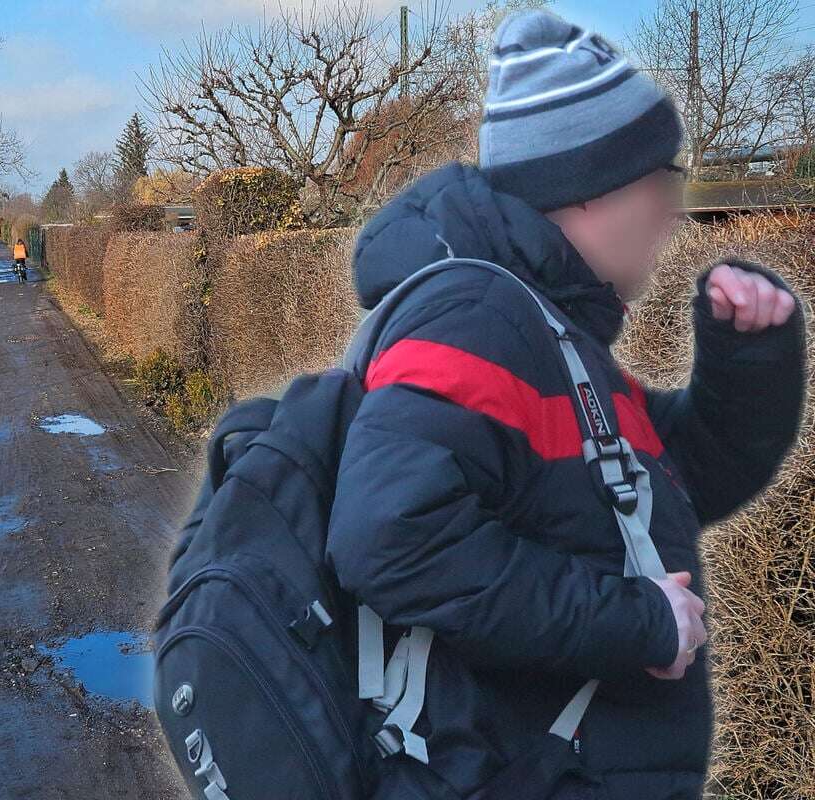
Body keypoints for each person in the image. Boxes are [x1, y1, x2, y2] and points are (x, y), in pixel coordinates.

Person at [325, 10, 806, 800]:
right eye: (659, 184)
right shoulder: (481, 321)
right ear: (586, 193)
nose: (670, 214)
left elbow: (674, 482)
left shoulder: (549, 335)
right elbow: (388, 537)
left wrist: (748, 358)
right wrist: (637, 622)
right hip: (521, 770)